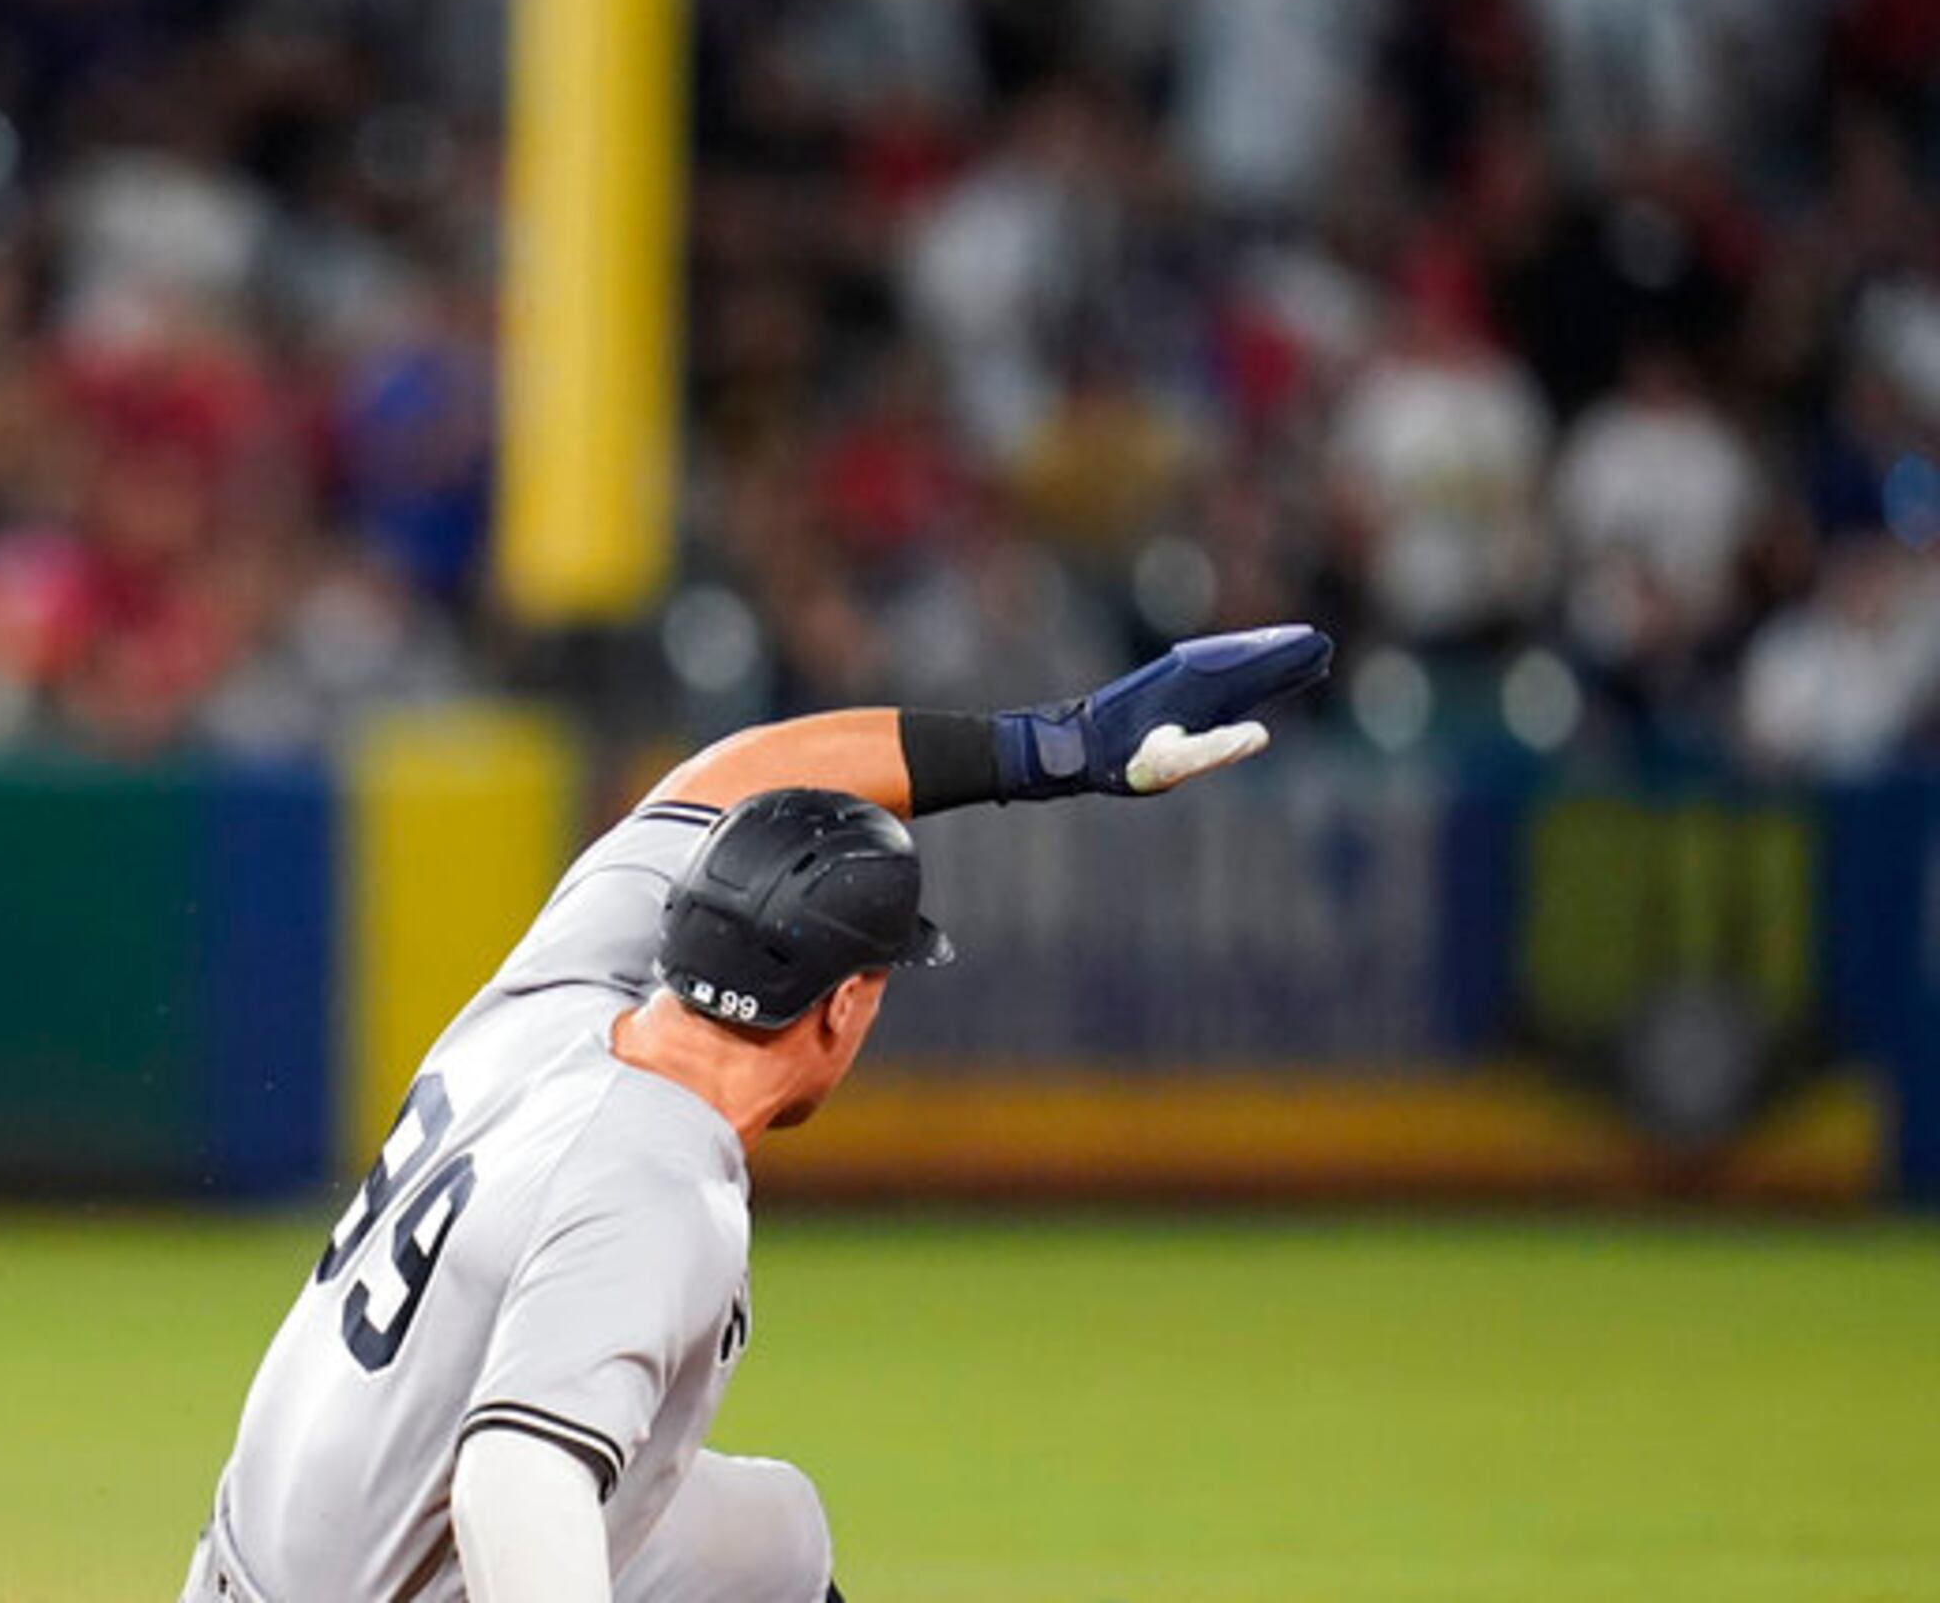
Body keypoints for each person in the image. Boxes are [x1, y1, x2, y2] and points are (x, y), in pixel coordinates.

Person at [180, 625, 1333, 1603]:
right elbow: (512, 1484)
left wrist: (1053, 748)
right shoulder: (656, 1186)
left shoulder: (558, 994)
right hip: (398, 1574)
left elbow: (723, 779)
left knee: (772, 1537)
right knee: (564, 1490)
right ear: (844, 1004)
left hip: (261, 1555)